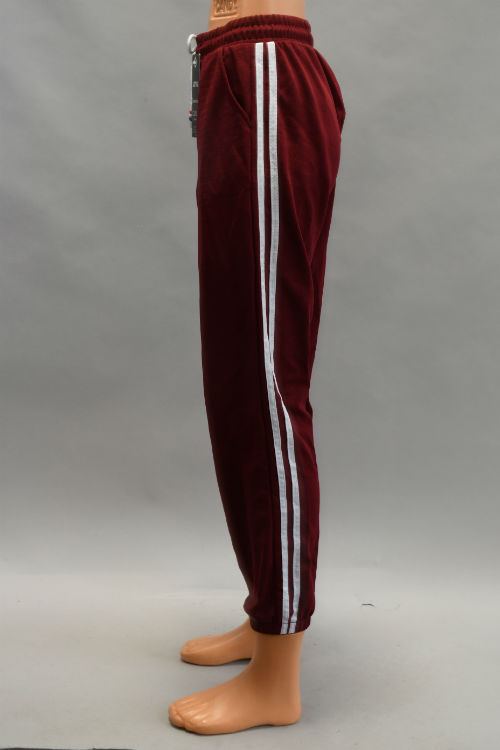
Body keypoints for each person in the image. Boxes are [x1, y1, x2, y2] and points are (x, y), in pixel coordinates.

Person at [169, 0, 346, 734]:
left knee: (267, 380)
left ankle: (278, 671)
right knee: (237, 379)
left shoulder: (264, 62)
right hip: (234, 64)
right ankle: (264, 610)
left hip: (263, 61)